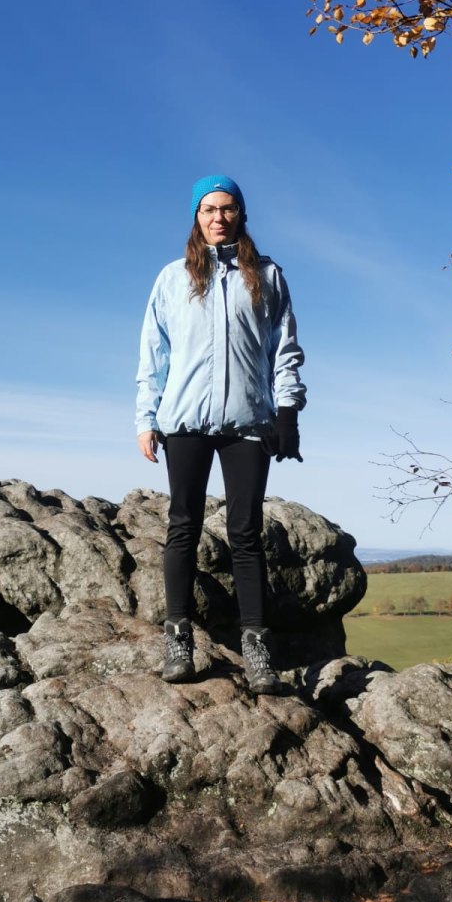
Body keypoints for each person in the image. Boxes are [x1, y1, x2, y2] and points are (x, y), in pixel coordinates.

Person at [135, 174, 306, 694]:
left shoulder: (268, 276)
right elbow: (153, 354)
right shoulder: (172, 278)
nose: (218, 217)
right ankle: (178, 641)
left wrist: (287, 414)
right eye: (208, 209)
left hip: (249, 422)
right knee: (183, 526)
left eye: (227, 208)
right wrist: (146, 418)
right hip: (184, 421)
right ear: (196, 217)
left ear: (241, 215)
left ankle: (257, 649)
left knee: (246, 533)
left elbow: (285, 350)